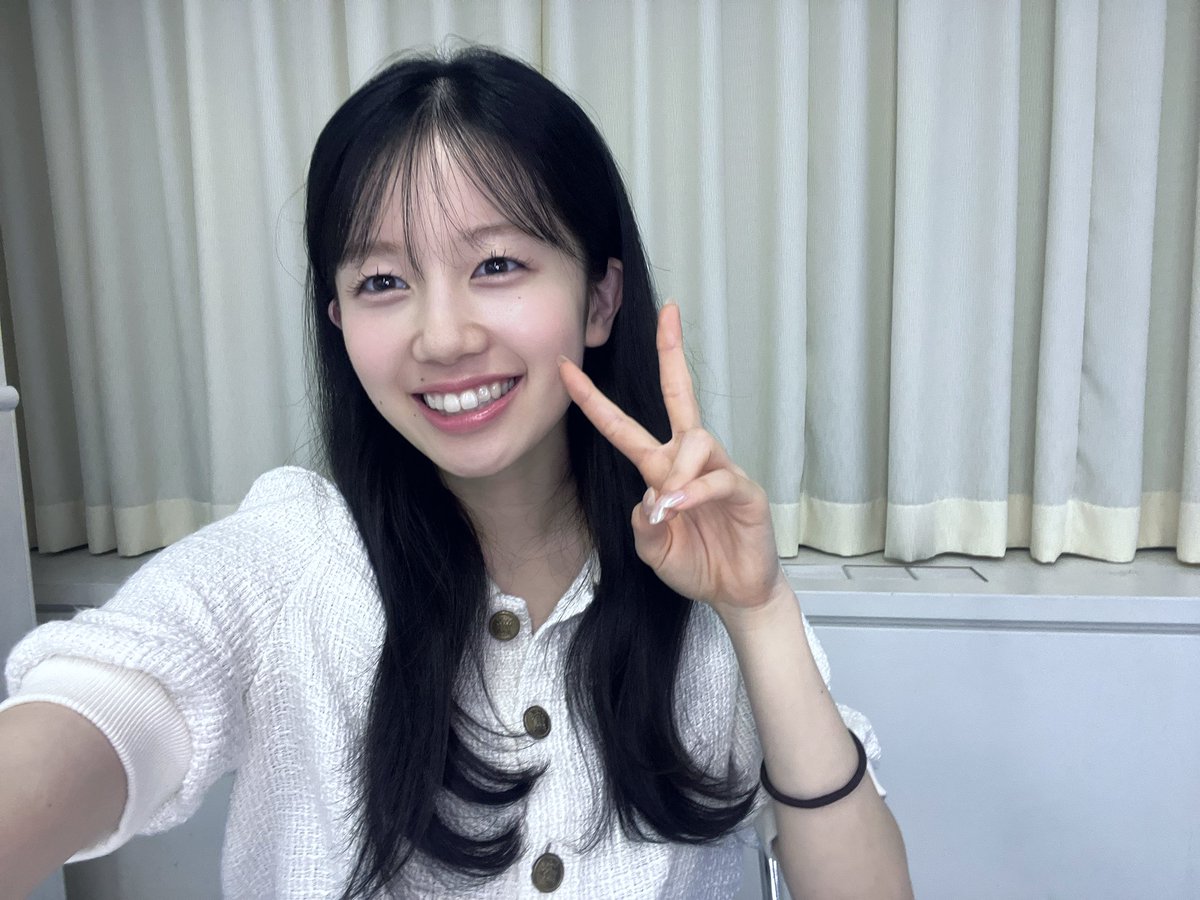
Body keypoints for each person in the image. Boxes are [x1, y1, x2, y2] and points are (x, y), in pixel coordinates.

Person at [0, 47, 912, 899]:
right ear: (339, 322)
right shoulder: (291, 563)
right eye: (382, 282)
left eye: (498, 264)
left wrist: (759, 611)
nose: (442, 337)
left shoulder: (700, 584)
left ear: (600, 299)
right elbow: (112, 702)